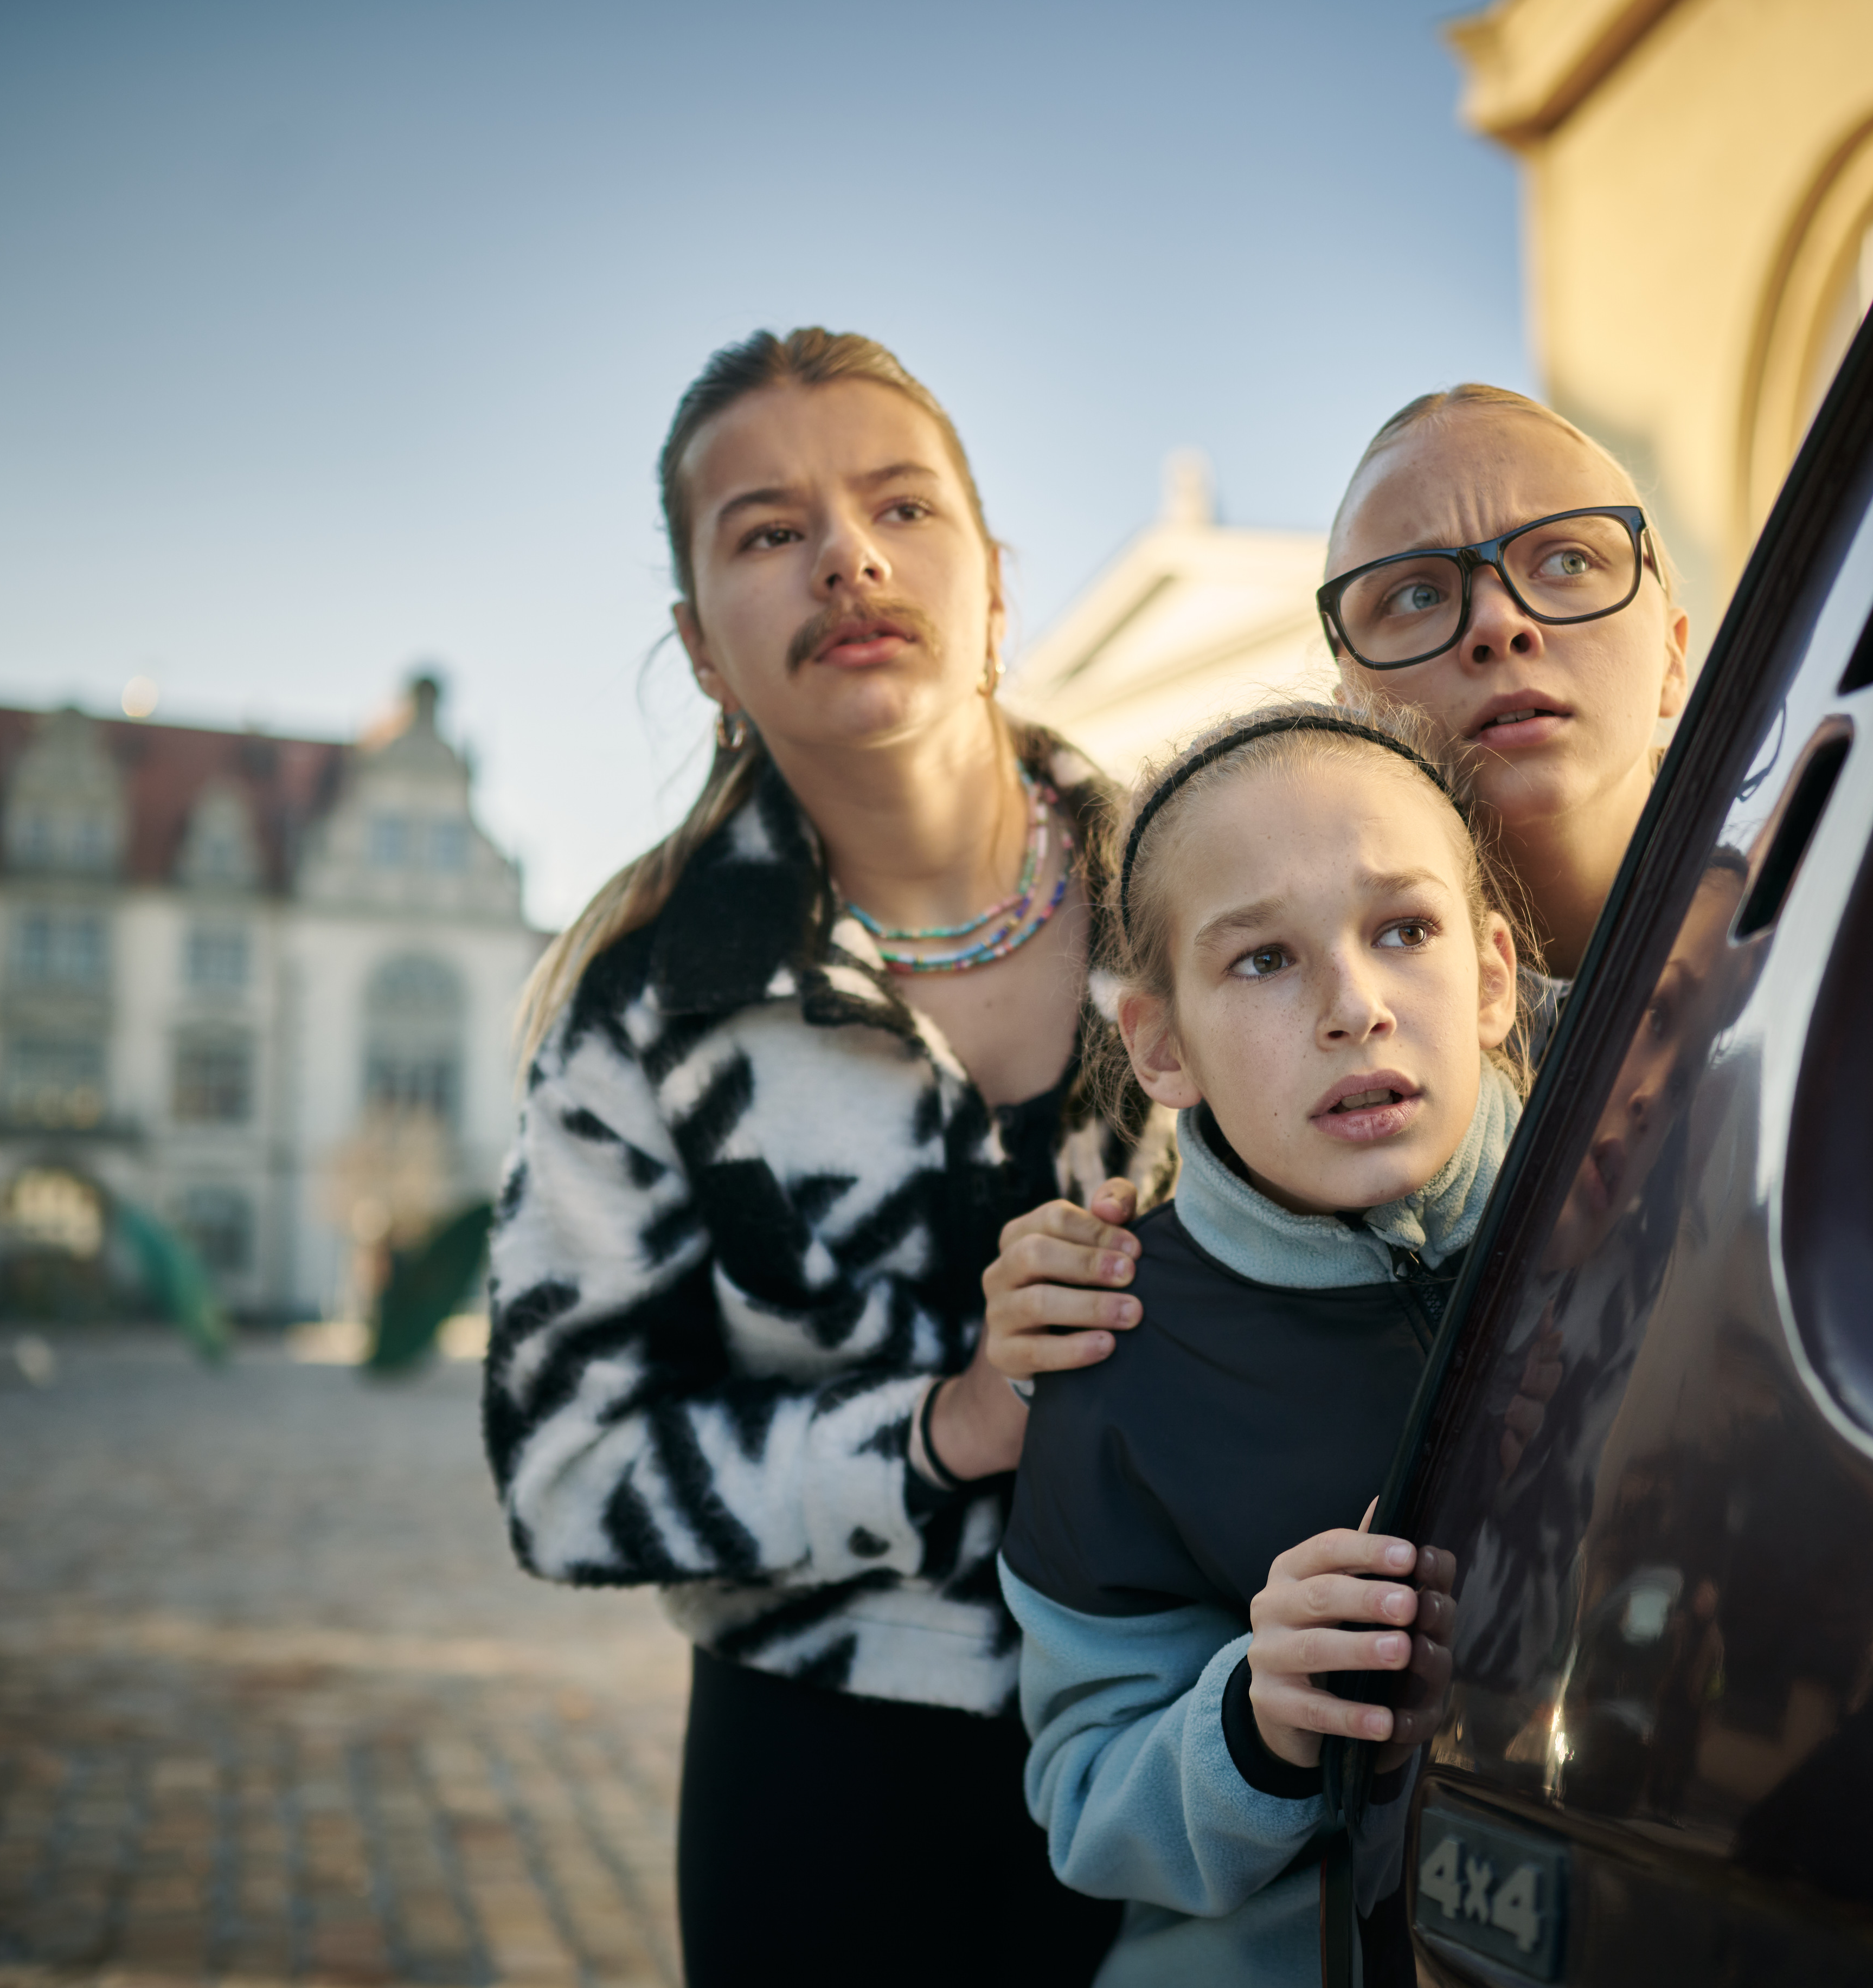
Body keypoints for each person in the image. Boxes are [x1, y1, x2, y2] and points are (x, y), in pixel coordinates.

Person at [483, 327, 1148, 1987]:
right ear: (704, 646)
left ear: (992, 579)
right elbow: (563, 1467)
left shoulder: (1202, 895)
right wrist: (940, 1430)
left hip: (1194, 1731)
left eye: (899, 506)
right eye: (767, 531)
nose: (846, 556)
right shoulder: (645, 999)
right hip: (822, 1773)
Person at [980, 382, 1686, 1386]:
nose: (1499, 623)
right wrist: (1074, 1312)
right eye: (1415, 593)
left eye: (1568, 560)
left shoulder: (1872, 908)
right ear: (1354, 706)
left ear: (1673, 652)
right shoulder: (1275, 1127)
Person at [997, 704, 1524, 1984]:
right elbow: (1085, 1791)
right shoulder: (1112, 1353)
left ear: (1495, 976)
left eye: (1402, 930)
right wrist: (1256, 1717)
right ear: (1159, 1044)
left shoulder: (1642, 1215)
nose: (1355, 1006)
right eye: (1263, 961)